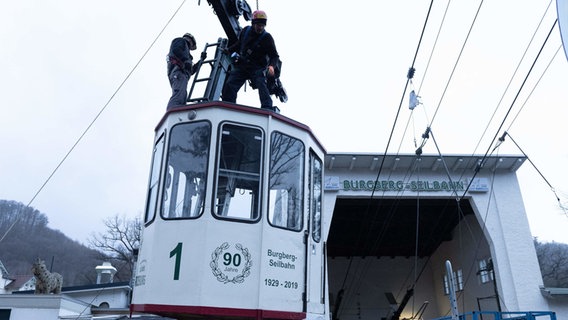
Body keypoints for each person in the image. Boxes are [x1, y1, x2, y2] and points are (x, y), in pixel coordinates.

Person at [222, 10, 280, 110]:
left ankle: (267, 107)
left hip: (257, 67)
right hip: (243, 65)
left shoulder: (267, 38)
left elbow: (274, 56)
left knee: (261, 83)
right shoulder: (245, 31)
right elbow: (239, 44)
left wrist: (271, 66)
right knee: (230, 83)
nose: (260, 27)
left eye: (262, 25)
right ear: (253, 23)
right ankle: (228, 105)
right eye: (258, 25)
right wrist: (229, 50)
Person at [166, 33, 205, 109]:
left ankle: (178, 113)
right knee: (179, 95)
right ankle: (173, 112)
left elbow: (191, 71)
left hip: (182, 75)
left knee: (182, 96)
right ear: (190, 40)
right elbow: (176, 50)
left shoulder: (186, 55)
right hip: (178, 72)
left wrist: (201, 60)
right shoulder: (180, 41)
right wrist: (184, 61)